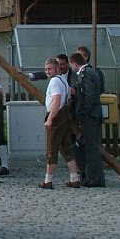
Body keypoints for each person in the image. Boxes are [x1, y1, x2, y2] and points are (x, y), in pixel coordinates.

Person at [39, 57, 80, 190]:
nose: (47, 71)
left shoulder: (54, 82)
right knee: (67, 148)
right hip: (64, 115)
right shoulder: (62, 79)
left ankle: (48, 181)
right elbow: (70, 94)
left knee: (52, 149)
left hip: (56, 116)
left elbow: (56, 100)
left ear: (56, 68)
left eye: (50, 69)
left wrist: (50, 118)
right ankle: (75, 179)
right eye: (46, 69)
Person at [70, 51, 104, 187]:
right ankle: (92, 177)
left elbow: (89, 96)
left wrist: (82, 113)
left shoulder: (86, 74)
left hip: (90, 116)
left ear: (74, 63)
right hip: (92, 115)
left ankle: (94, 179)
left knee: (91, 148)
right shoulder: (91, 73)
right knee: (90, 147)